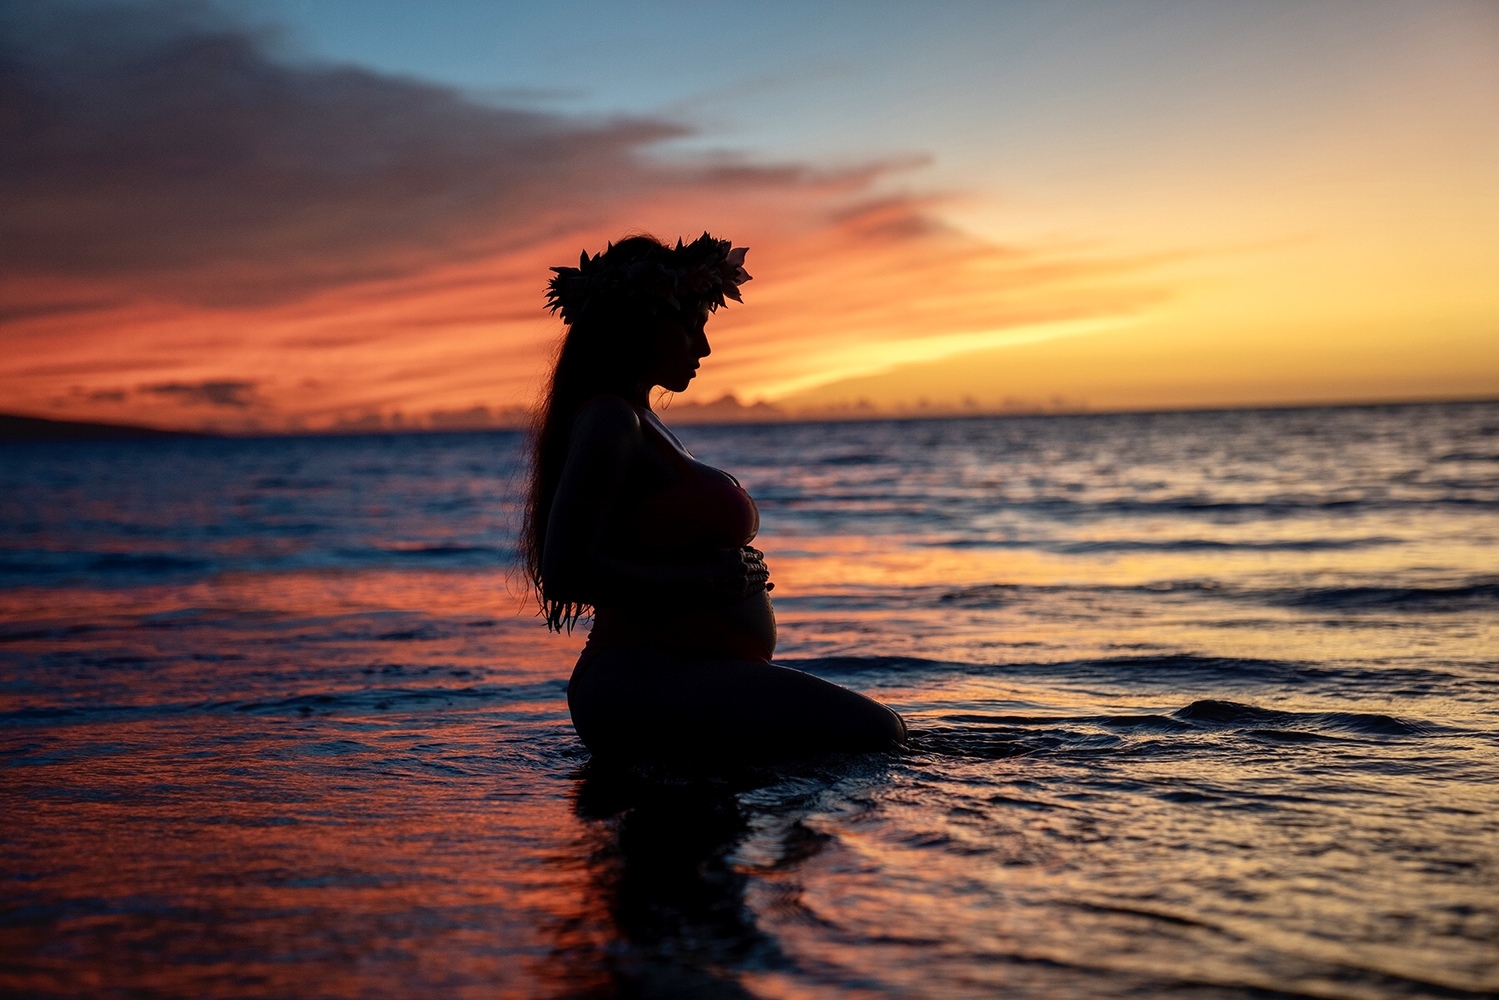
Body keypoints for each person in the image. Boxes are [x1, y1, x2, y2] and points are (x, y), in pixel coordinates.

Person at [521, 233, 906, 761]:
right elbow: (564, 569)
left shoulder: (639, 421)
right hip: (640, 677)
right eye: (692, 327)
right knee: (878, 734)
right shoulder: (611, 420)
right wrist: (699, 582)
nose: (703, 348)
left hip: (683, 672)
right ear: (644, 324)